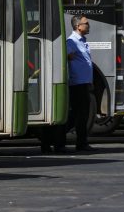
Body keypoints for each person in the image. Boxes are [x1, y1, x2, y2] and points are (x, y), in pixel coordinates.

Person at [41, 15, 95, 153]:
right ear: (78, 26)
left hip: (84, 83)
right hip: (77, 84)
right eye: (86, 23)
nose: (88, 25)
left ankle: (58, 141)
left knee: (79, 115)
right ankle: (74, 143)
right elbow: (64, 56)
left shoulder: (81, 41)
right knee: (79, 115)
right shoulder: (72, 41)